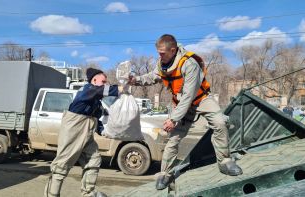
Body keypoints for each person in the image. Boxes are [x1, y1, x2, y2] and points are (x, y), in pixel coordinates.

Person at [130, 34, 243, 190]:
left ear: (173, 49)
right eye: (158, 52)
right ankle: (165, 174)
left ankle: (225, 162)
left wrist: (173, 118)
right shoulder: (162, 63)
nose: (159, 55)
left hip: (201, 99)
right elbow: (152, 77)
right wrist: (135, 80)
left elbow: (189, 95)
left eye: (162, 52)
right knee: (173, 139)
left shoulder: (189, 64)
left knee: (219, 122)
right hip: (182, 104)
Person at [44, 68, 127, 197]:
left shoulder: (96, 101)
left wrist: (103, 131)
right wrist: (120, 88)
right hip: (73, 132)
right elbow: (100, 91)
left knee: (93, 159)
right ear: (94, 80)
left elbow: (96, 118)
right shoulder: (87, 90)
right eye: (103, 81)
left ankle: (88, 192)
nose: (106, 84)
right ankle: (52, 195)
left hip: (86, 134)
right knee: (62, 165)